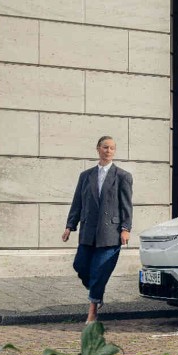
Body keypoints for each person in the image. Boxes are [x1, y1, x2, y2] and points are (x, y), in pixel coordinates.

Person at [63, 136, 133, 323]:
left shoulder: (122, 176)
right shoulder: (86, 176)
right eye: (105, 147)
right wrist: (70, 225)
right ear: (98, 149)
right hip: (88, 231)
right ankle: (96, 289)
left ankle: (93, 310)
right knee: (80, 265)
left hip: (111, 233)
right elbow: (77, 202)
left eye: (112, 148)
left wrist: (126, 228)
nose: (108, 151)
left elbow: (127, 206)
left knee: (100, 270)